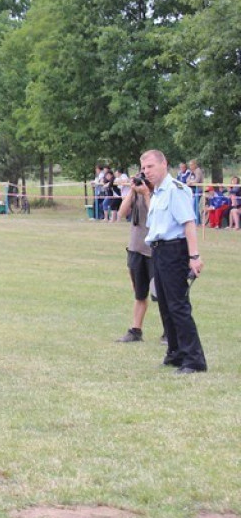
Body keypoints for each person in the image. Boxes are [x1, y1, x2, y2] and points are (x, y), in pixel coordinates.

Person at [141, 149, 207, 374]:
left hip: (174, 251)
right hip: (159, 251)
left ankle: (194, 359)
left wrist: (194, 256)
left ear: (163, 164)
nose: (146, 172)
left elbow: (188, 223)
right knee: (165, 305)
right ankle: (176, 352)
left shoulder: (175, 190)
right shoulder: (157, 192)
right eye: (143, 168)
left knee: (178, 305)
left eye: (150, 166)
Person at [114, 173, 162, 343]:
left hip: (154, 251)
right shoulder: (136, 194)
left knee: (161, 294)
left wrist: (146, 194)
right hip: (136, 249)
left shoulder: (159, 193)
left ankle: (169, 331)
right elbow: (121, 212)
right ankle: (135, 330)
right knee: (139, 293)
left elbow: (156, 216)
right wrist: (132, 192)